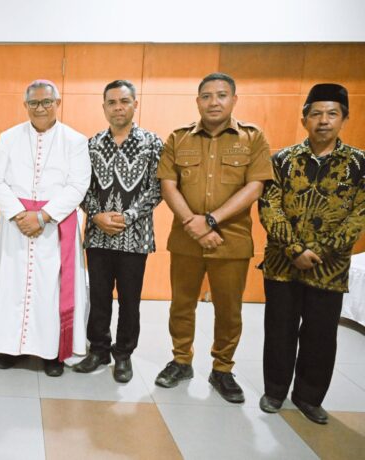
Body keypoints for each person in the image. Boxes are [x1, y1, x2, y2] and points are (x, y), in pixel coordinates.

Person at [155, 73, 273, 403]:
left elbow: (255, 187)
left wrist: (209, 221)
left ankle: (222, 368)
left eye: (221, 95)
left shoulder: (252, 138)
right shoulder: (179, 138)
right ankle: (181, 361)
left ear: (234, 99)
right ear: (198, 102)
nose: (214, 102)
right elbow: (168, 185)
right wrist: (192, 224)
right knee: (181, 305)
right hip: (186, 238)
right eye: (206, 96)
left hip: (230, 241)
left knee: (229, 310)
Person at [258, 83, 364, 424]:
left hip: (329, 269)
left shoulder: (359, 163)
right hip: (282, 263)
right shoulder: (282, 160)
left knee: (320, 336)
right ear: (304, 119)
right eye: (316, 113)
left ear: (344, 118)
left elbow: (359, 215)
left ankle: (309, 397)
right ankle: (275, 391)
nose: (324, 120)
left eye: (332, 113)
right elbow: (269, 207)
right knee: (279, 331)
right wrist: (295, 249)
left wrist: (318, 251)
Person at [0, 79, 90, 377]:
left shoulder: (75, 140)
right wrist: (20, 214)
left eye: (46, 102)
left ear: (57, 103)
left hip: (55, 226)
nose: (40, 108)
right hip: (16, 225)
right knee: (12, 287)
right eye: (33, 103)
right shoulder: (9, 137)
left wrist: (43, 216)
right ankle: (10, 347)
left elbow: (78, 185)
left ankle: (52, 352)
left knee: (50, 289)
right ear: (25, 105)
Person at [73, 80, 162, 383]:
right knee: (98, 296)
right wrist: (96, 215)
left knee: (129, 300)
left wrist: (128, 216)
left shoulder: (152, 143)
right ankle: (98, 350)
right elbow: (80, 187)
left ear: (135, 104)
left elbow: (158, 188)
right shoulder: (91, 144)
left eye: (124, 101)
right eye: (111, 102)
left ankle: (123, 354)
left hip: (134, 238)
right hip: (98, 236)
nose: (118, 108)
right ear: (104, 107)